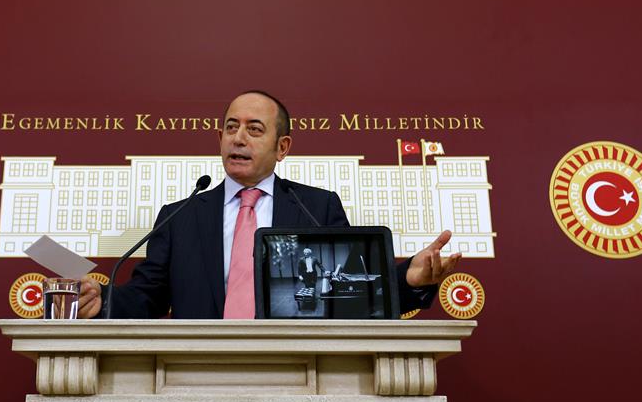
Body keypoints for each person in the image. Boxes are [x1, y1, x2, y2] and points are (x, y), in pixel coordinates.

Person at [77, 90, 461, 319]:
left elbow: (354, 292)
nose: (238, 138)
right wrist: (102, 299)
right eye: (231, 127)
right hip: (197, 372)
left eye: (254, 129)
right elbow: (147, 296)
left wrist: (408, 279)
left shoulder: (317, 207)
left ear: (282, 147)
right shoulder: (181, 216)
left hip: (298, 371)